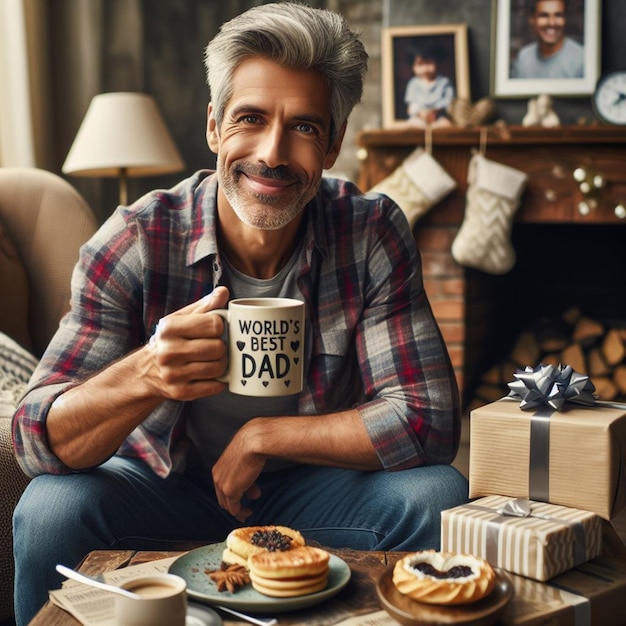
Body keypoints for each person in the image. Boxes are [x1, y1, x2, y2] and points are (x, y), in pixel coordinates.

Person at [12, 3, 468, 623]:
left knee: (437, 496)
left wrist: (264, 437)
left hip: (309, 487)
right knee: (48, 510)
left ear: (333, 143)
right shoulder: (138, 238)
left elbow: (430, 418)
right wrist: (146, 373)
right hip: (161, 488)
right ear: (213, 126)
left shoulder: (370, 232)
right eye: (250, 119)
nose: (272, 154)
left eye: (304, 127)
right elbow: (35, 437)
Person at [511, 0, 584, 79]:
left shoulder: (581, 60)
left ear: (565, 19)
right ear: (532, 20)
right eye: (544, 15)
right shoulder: (523, 58)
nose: (551, 23)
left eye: (558, 15)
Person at [404, 40, 454, 127]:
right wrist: (421, 113)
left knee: (446, 124)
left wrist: (435, 111)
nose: (425, 68)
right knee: (411, 124)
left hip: (438, 117)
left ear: (437, 62)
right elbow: (411, 107)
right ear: (413, 66)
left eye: (428, 63)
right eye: (420, 64)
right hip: (420, 118)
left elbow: (449, 102)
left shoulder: (444, 83)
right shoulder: (413, 84)